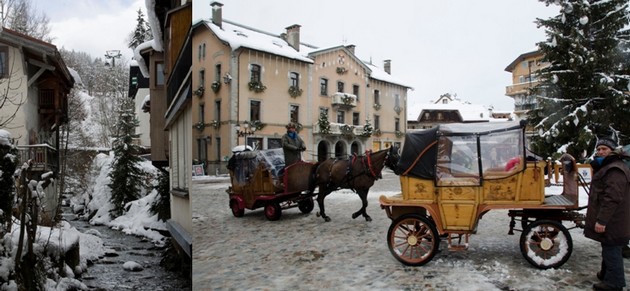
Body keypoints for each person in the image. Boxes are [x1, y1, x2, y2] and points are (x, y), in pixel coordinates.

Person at [584, 137, 630, 291]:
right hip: (614, 219)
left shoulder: (615, 169)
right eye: (598, 149)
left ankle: (614, 284)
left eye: (604, 149)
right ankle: (606, 275)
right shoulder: (610, 166)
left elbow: (612, 198)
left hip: (614, 220)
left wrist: (602, 221)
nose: (600, 152)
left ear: (613, 151)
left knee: (612, 249)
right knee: (609, 246)